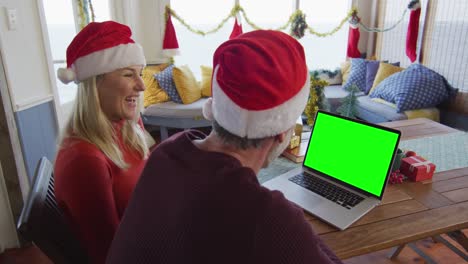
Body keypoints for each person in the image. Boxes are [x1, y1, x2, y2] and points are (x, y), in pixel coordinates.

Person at [106, 30, 342, 264]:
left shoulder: (167, 153)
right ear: (282, 131)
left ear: (216, 107)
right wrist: (294, 224)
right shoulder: (268, 217)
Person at [54, 21, 155, 264]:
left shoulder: (127, 126)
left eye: (140, 74)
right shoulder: (85, 159)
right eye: (128, 74)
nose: (141, 86)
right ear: (95, 83)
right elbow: (110, 254)